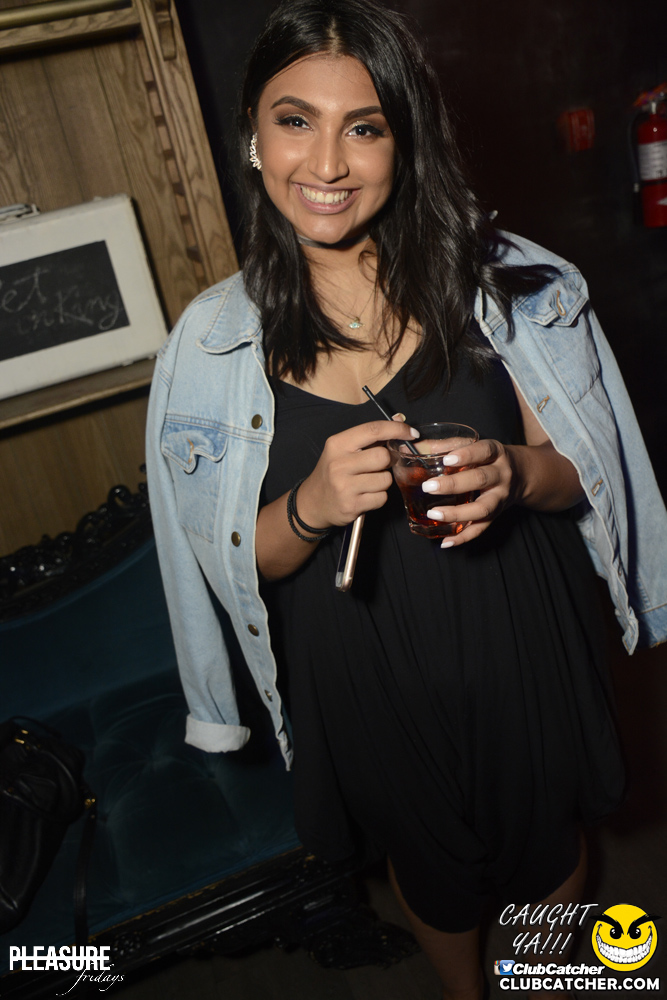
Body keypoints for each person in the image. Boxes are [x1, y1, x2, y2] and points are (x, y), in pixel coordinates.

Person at [146, 1, 667, 996]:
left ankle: (536, 980)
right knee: (430, 867)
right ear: (252, 137)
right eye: (294, 121)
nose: (326, 163)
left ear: (405, 142)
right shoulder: (207, 349)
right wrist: (311, 503)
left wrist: (512, 471)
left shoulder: (508, 285)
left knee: (547, 841)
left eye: (365, 127)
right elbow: (230, 566)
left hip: (513, 623)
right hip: (358, 659)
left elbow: (579, 474)